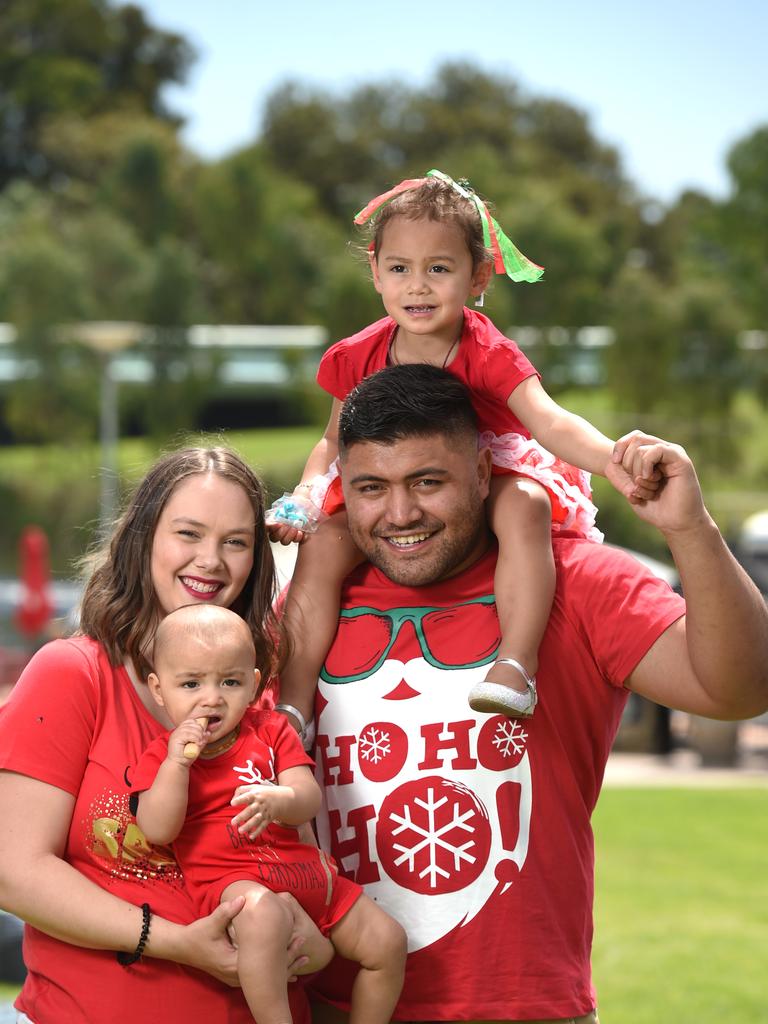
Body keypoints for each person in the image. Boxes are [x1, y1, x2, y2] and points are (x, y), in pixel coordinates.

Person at [301, 364, 768, 1024]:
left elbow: (742, 689)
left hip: (527, 1008)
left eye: (428, 482)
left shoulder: (573, 580)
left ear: (485, 474)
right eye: (371, 488)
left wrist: (691, 531)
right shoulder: (312, 605)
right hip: (335, 1008)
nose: (400, 513)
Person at [269, 169, 657, 734]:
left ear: (478, 277)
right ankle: (295, 701)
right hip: (399, 479)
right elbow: (333, 440)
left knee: (525, 503)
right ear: (375, 271)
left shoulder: (488, 351)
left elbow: (547, 420)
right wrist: (307, 493)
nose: (417, 286)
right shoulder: (355, 356)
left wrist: (612, 459)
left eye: (439, 269)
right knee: (326, 543)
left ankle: (516, 666)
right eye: (399, 269)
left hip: (489, 466)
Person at [0, 447, 334, 1024]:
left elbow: (295, 856)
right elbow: (13, 869)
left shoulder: (259, 695)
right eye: (189, 533)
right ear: (144, 539)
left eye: (236, 541)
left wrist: (311, 926)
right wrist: (177, 942)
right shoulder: (74, 674)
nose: (211, 561)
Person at [134, 603, 406, 1024]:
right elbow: (156, 829)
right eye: (190, 684)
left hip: (312, 880)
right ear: (158, 690)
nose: (212, 698)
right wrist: (177, 767)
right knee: (261, 916)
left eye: (230, 681)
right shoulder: (162, 757)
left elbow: (307, 797)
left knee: (388, 942)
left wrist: (279, 799)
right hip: (238, 887)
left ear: (253, 683)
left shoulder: (270, 730)